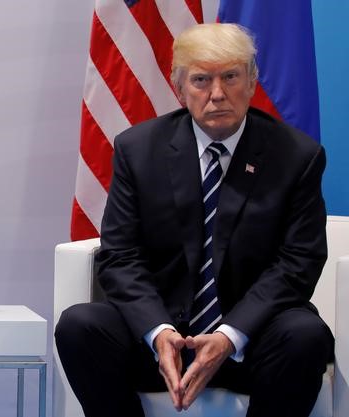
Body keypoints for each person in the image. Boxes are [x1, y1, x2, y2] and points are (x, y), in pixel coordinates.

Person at [55, 23, 332, 417]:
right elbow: (120, 256)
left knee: (305, 335)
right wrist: (158, 331)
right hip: (159, 343)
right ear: (179, 87)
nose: (217, 94)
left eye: (231, 77)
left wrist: (229, 335)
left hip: (250, 343)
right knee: (80, 325)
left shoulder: (296, 157)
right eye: (201, 80)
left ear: (252, 82)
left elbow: (297, 264)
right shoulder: (138, 150)